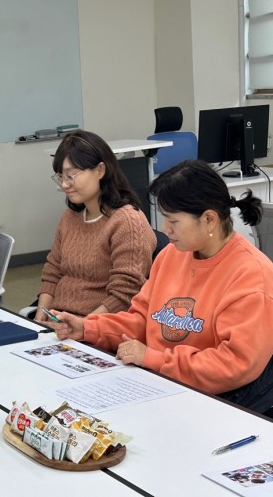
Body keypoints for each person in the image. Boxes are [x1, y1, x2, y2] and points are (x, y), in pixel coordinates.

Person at [52, 160, 273, 412]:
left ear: (209, 219)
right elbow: (142, 320)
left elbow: (233, 365)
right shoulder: (172, 255)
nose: (165, 229)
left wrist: (153, 358)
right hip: (157, 383)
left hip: (211, 401)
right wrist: (88, 328)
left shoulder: (252, 277)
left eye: (173, 221)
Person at [35, 130, 156, 322]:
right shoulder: (69, 218)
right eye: (60, 177)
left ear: (100, 170)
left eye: (71, 176)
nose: (64, 185)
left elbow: (125, 294)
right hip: (59, 322)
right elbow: (52, 273)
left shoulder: (127, 222)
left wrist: (83, 325)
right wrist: (39, 319)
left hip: (97, 327)